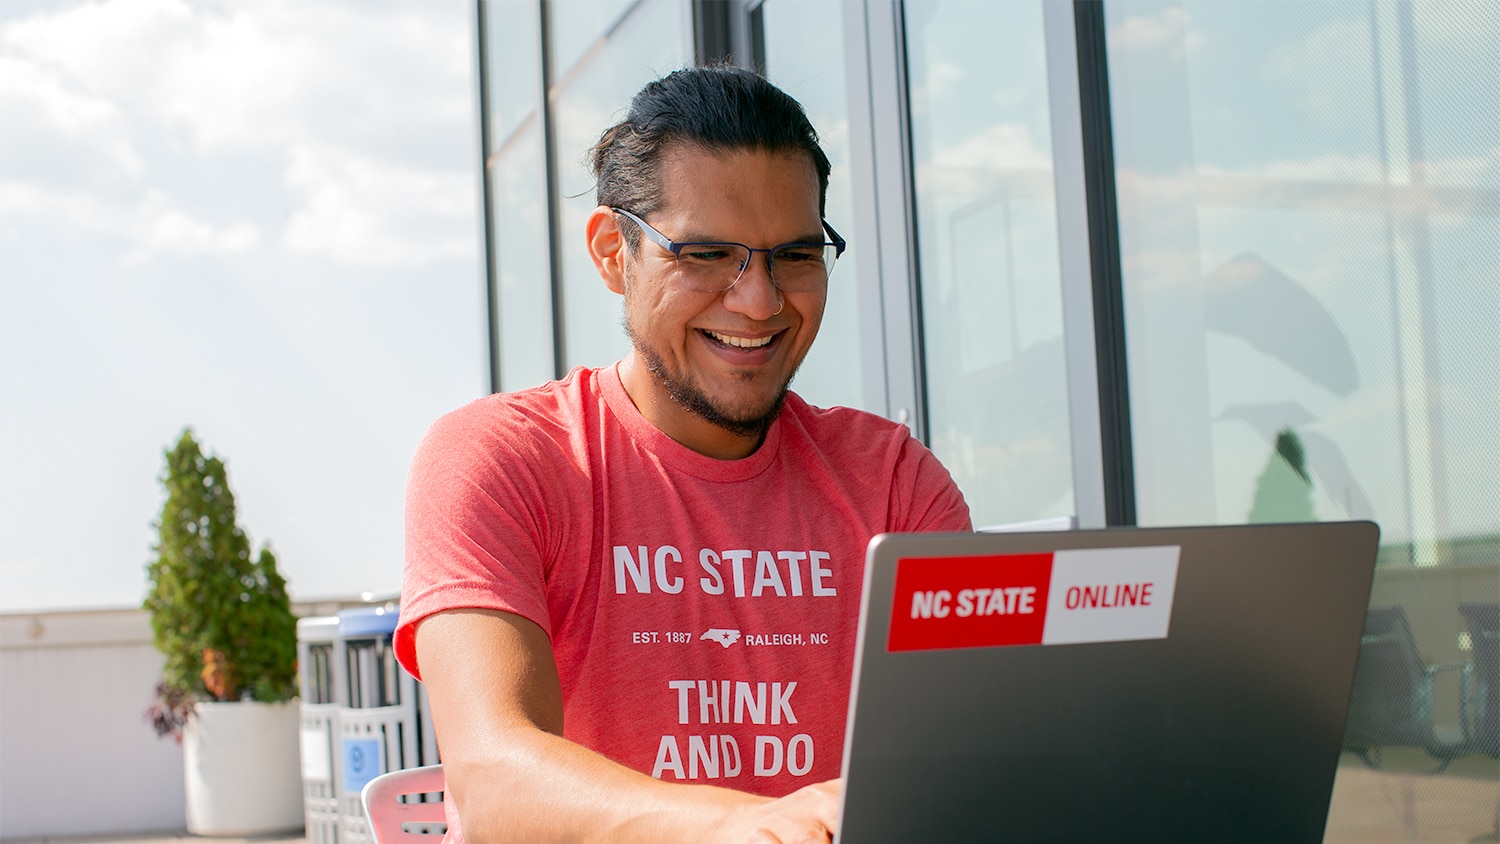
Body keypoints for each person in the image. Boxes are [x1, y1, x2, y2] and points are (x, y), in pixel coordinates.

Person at [394, 65, 971, 843]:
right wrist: (760, 825)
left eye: (795, 256)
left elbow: (966, 760)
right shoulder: (504, 460)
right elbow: (493, 776)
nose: (758, 301)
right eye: (705, 255)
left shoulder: (895, 485)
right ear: (613, 252)